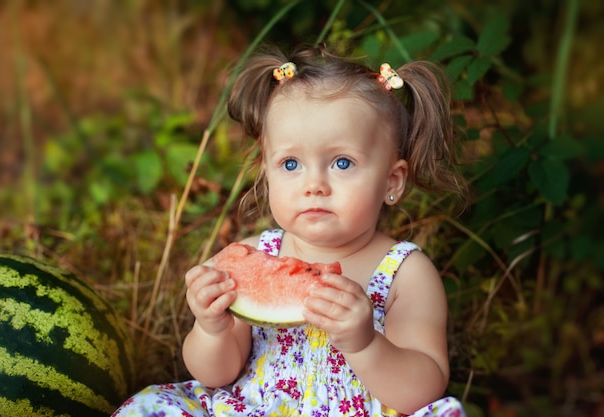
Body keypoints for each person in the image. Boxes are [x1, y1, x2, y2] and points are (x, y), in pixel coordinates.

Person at [112, 44, 467, 417]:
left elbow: (422, 390)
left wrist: (364, 344)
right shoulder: (255, 254)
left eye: (342, 162)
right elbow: (215, 375)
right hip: (251, 410)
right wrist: (211, 327)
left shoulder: (405, 273)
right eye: (291, 163)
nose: (314, 184)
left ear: (391, 181)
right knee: (148, 407)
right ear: (266, 172)